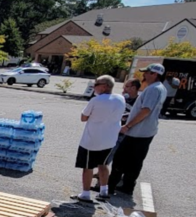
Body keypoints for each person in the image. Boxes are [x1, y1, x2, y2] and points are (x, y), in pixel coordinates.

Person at [107, 62, 168, 196]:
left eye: (147, 72)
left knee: (120, 158)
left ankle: (110, 187)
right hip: (146, 131)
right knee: (135, 161)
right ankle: (127, 186)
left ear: (155, 74)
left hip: (138, 132)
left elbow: (146, 110)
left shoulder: (153, 89)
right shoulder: (160, 88)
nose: (144, 74)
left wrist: (128, 125)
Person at [72, 75, 125, 203]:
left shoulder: (96, 100)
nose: (94, 86)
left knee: (88, 166)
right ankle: (104, 191)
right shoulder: (120, 98)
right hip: (110, 139)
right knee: (104, 164)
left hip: (92, 139)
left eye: (97, 84)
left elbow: (83, 117)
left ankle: (85, 194)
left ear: (105, 86)